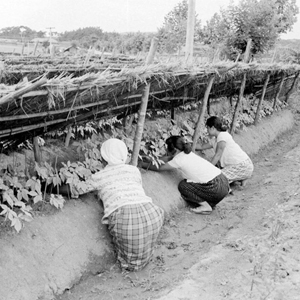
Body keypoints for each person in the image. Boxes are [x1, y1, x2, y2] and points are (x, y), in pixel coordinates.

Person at [71, 138, 164, 272]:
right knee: (142, 242)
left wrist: (49, 186)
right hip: (152, 213)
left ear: (103, 157)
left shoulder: (99, 176)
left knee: (130, 261)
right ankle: (143, 257)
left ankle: (131, 264)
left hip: (126, 217)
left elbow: (77, 189)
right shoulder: (134, 170)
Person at [139, 136, 230, 215]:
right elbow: (168, 158)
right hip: (224, 182)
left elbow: (158, 167)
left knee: (183, 186)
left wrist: (141, 164)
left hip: (215, 187)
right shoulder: (187, 154)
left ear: (174, 149)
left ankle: (205, 206)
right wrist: (151, 159)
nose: (165, 150)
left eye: (167, 148)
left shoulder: (179, 160)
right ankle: (209, 202)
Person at [196, 116, 254, 187]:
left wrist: (207, 170)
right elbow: (202, 147)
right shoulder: (215, 139)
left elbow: (217, 155)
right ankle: (241, 178)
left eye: (207, 128)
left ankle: (242, 177)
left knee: (216, 179)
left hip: (243, 166)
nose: (207, 130)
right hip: (243, 165)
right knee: (218, 172)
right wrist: (189, 145)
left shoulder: (222, 136)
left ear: (213, 128)